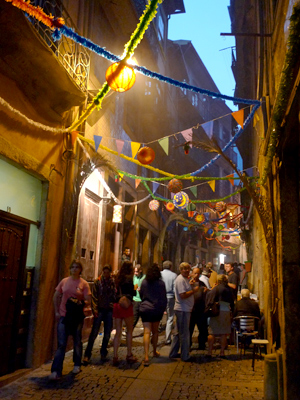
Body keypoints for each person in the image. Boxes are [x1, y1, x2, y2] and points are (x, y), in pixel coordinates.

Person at [49, 260, 91, 380]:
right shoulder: (64, 281)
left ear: (80, 269)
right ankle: (56, 370)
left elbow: (88, 299)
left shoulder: (84, 284)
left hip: (77, 316)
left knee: (77, 340)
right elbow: (56, 296)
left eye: (77, 267)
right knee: (61, 343)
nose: (74, 269)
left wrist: (81, 302)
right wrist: (57, 311)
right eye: (72, 267)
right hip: (64, 315)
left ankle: (77, 363)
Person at [83, 265, 116, 364]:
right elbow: (94, 296)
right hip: (100, 310)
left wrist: (112, 305)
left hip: (109, 310)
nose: (106, 274)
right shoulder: (98, 282)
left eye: (107, 273)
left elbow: (114, 295)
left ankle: (103, 353)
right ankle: (87, 354)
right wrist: (95, 309)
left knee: (107, 334)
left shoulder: (112, 282)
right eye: (104, 272)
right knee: (94, 333)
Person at [169, 262, 199, 362]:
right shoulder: (180, 280)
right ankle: (185, 355)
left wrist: (191, 284)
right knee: (185, 333)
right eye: (184, 269)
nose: (187, 271)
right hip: (183, 309)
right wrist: (194, 291)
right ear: (181, 270)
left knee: (178, 332)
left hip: (185, 308)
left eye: (188, 269)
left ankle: (173, 352)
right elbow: (182, 295)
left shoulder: (186, 279)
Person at [139, 264, 167, 366]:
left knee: (147, 332)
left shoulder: (144, 282)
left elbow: (141, 294)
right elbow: (163, 297)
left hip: (145, 309)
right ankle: (154, 351)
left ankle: (146, 356)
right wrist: (163, 309)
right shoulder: (161, 283)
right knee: (155, 332)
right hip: (156, 309)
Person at [112, 261, 137, 366]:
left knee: (118, 332)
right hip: (126, 305)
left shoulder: (117, 278)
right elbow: (132, 292)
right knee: (129, 331)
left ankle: (115, 355)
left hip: (117, 305)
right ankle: (129, 354)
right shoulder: (129, 278)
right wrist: (135, 289)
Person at [205, 274, 234, 358]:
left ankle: (210, 352)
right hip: (226, 311)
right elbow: (232, 302)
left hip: (216, 311)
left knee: (212, 332)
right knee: (223, 333)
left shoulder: (216, 288)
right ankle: (222, 352)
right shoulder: (229, 289)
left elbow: (209, 297)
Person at [189, 267, 208, 350]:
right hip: (191, 309)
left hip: (200, 309)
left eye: (198, 273)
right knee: (190, 329)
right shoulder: (189, 283)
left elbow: (206, 295)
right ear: (192, 273)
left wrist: (206, 291)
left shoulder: (202, 283)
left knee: (202, 328)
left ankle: (202, 344)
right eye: (195, 273)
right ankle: (188, 344)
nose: (196, 275)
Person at [161, 260, 177, 345]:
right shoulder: (174, 275)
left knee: (158, 317)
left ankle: (154, 334)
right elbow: (175, 289)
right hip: (170, 297)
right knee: (170, 318)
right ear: (171, 267)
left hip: (160, 297)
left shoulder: (159, 274)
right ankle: (168, 339)